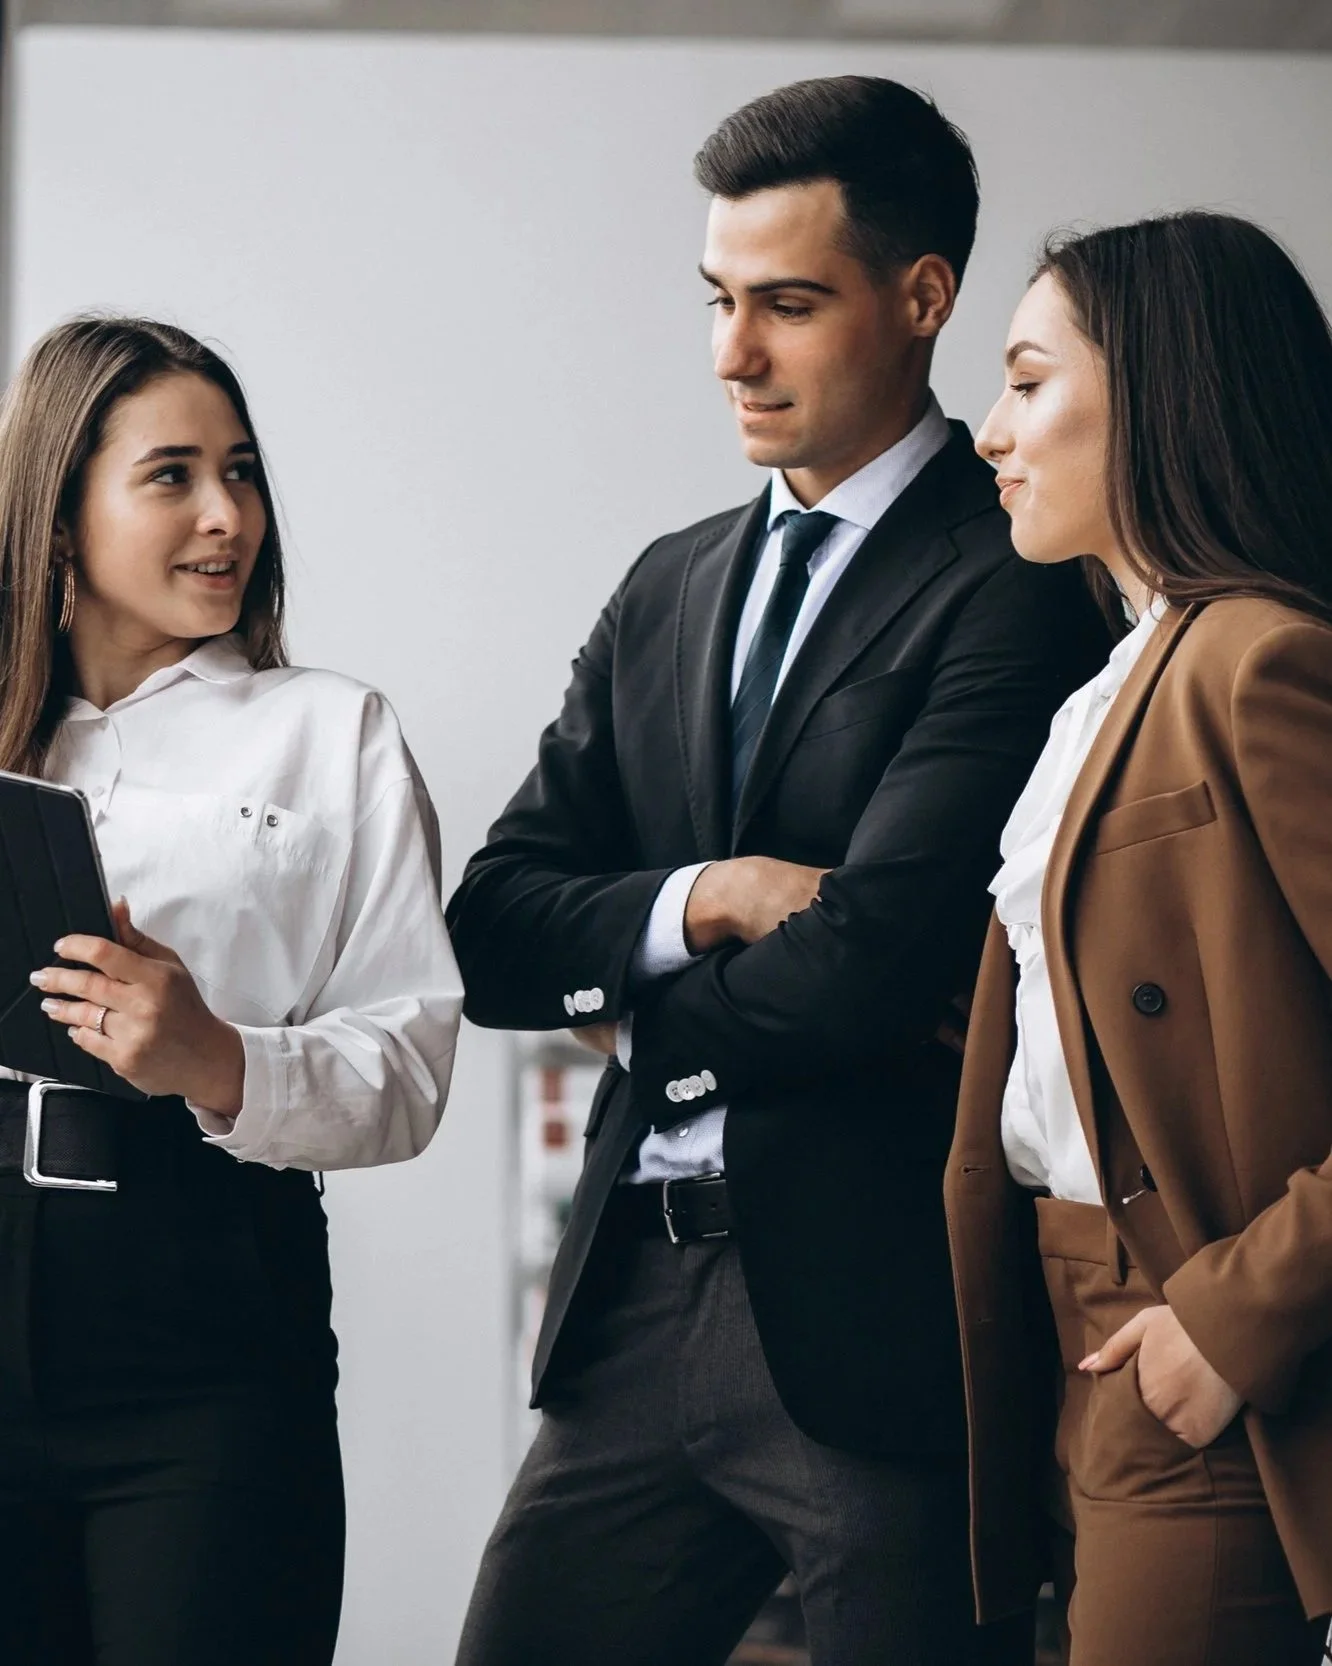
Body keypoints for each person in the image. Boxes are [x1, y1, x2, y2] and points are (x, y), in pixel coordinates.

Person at [447, 75, 1107, 1666]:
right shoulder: (670, 584)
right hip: (627, 1313)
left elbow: (877, 956)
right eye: (720, 301)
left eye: (788, 305)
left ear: (922, 295)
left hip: (875, 1321)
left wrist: (632, 1010)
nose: (734, 354)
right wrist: (715, 896)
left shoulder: (1016, 580)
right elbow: (488, 927)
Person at [0, 316, 463, 1666]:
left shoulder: (332, 731)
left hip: (198, 1312)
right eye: (174, 475)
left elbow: (412, 1066)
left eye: (244, 472)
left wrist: (217, 1057)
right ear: (59, 511)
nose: (228, 517)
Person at [947, 211, 1332, 1665]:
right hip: (1063, 1328)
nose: (991, 430)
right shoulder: (1112, 680)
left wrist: (1238, 1317)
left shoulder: (1259, 658)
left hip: (1203, 1332)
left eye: (1029, 380)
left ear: (1164, 391)